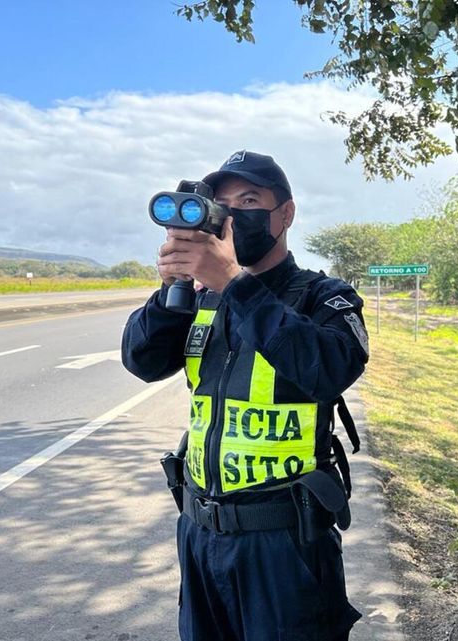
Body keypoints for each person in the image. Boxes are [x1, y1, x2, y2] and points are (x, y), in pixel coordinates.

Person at [122, 150, 370, 641]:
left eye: (251, 199)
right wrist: (171, 290)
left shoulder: (323, 296)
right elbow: (143, 361)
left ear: (286, 214)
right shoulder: (200, 297)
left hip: (284, 545)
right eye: (223, 203)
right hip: (200, 533)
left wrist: (234, 283)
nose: (234, 214)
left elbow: (326, 368)